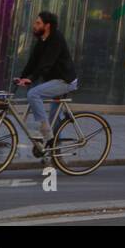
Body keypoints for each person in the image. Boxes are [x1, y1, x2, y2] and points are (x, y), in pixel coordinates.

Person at [13, 10, 79, 152]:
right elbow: (33, 62)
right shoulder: (42, 40)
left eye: (38, 23)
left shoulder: (56, 39)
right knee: (54, 118)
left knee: (33, 94)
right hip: (54, 81)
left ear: (47, 25)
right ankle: (55, 149)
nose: (34, 25)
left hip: (65, 81)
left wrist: (31, 80)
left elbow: (46, 64)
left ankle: (45, 133)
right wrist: (23, 76)